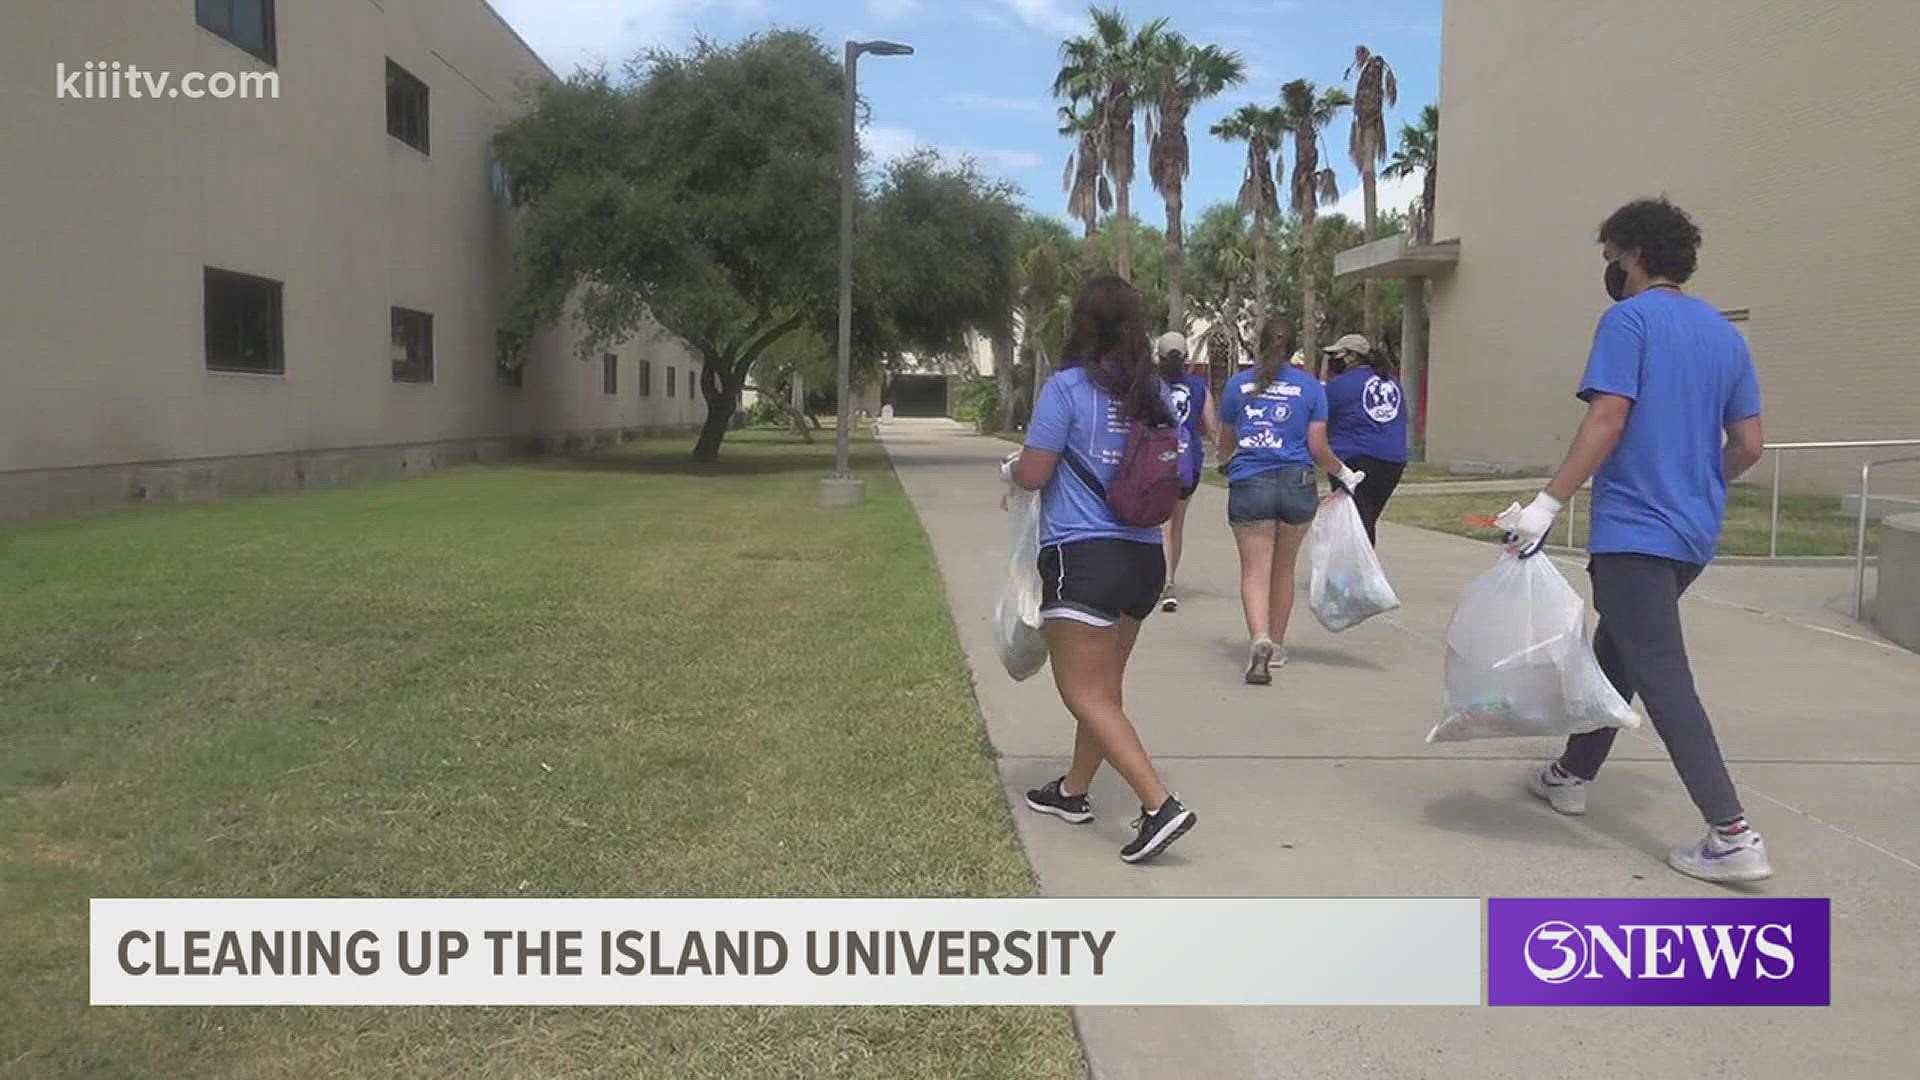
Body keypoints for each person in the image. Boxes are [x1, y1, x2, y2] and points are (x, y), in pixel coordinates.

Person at [1497, 197, 1770, 884]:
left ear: (1635, 254)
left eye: (1611, 258)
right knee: (1617, 651)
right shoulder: (1723, 335)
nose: (1609, 272)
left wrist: (1548, 502)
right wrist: (1699, 480)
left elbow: (1608, 418)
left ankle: (1731, 832)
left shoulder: (1628, 321)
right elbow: (1749, 445)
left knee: (1661, 673)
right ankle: (1570, 774)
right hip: (1690, 533)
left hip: (1634, 531)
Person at [1005, 273, 1197, 864]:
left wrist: (1009, 471)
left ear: (1081, 323)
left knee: (1082, 692)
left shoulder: (1067, 389)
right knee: (1105, 690)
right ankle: (1073, 791)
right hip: (1143, 556)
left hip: (1081, 555)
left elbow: (1035, 473)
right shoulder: (1153, 394)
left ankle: (1158, 804)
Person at [1217, 318, 1365, 684]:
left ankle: (1259, 637)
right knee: (1283, 569)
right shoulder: (1311, 389)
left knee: (1255, 571)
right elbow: (1317, 447)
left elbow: (1225, 441)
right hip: (1297, 483)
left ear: (1258, 344)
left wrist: (1225, 462)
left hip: (1250, 481)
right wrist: (1344, 473)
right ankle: (1278, 645)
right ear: (1293, 348)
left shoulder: (1237, 386)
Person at [1322, 333, 1409, 545]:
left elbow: (1320, 421)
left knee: (1356, 521)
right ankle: (1356, 570)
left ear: (1352, 356)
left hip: (1354, 459)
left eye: (1337, 355)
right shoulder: (1391, 382)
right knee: (1365, 517)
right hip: (1392, 460)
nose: (1333, 360)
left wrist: (1323, 378)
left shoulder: (1339, 386)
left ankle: (1357, 573)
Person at [1155, 331, 1216, 613]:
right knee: (1176, 525)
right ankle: (1169, 578)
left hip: (1157, 461)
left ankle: (1163, 581)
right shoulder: (1198, 387)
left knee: (1161, 525)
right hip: (1187, 461)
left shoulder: (1150, 386)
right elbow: (1212, 427)